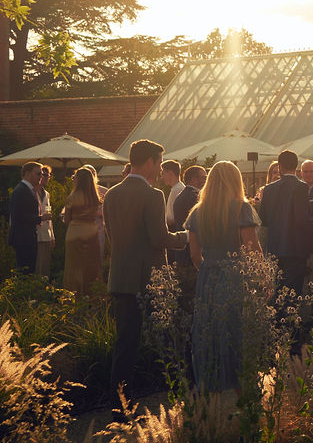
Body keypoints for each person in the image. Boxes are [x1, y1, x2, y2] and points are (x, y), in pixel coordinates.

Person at [104, 139, 187, 405]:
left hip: (120, 277)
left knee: (125, 346)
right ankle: (181, 398)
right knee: (168, 337)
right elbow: (159, 238)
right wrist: (185, 237)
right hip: (149, 279)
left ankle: (120, 405)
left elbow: (111, 236)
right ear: (150, 161)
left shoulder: (112, 193)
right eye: (160, 163)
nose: (160, 169)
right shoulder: (153, 195)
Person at [184, 161, 262, 392]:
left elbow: (195, 255)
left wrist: (210, 270)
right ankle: (240, 386)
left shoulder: (198, 212)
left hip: (208, 277)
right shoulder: (241, 208)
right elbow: (252, 248)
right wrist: (261, 278)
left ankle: (211, 384)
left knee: (209, 331)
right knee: (236, 329)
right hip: (235, 274)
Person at [258, 150, 313, 293]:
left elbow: (263, 219)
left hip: (275, 247)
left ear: (280, 166)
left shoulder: (268, 189)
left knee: (277, 291)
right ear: (297, 166)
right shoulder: (301, 187)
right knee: (292, 292)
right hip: (295, 248)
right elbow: (302, 218)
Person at [61, 167, 104, 294]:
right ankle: (92, 294)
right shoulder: (95, 198)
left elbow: (67, 220)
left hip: (74, 234)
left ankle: (74, 294)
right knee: (92, 265)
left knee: (73, 266)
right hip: (92, 233)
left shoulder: (72, 197)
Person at [7, 162, 50, 273]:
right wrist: (40, 218)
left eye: (42, 174)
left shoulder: (29, 189)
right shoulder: (21, 190)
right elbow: (19, 215)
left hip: (27, 236)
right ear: (27, 173)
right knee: (25, 271)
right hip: (22, 237)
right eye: (38, 174)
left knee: (29, 270)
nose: (41, 176)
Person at [171, 166, 206, 267]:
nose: (206, 181)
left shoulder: (179, 198)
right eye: (203, 178)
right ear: (194, 179)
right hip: (196, 252)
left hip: (181, 252)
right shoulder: (198, 198)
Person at [35, 166, 55, 279]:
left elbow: (49, 217)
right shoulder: (31, 192)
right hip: (36, 234)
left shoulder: (46, 194)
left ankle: (44, 289)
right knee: (37, 265)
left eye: (49, 176)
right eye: (46, 175)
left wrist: (52, 236)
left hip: (46, 235)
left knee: (45, 266)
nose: (48, 178)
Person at [162, 160, 185, 228]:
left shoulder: (177, 190)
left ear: (170, 173)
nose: (162, 177)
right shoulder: (177, 188)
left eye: (163, 173)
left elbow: (174, 218)